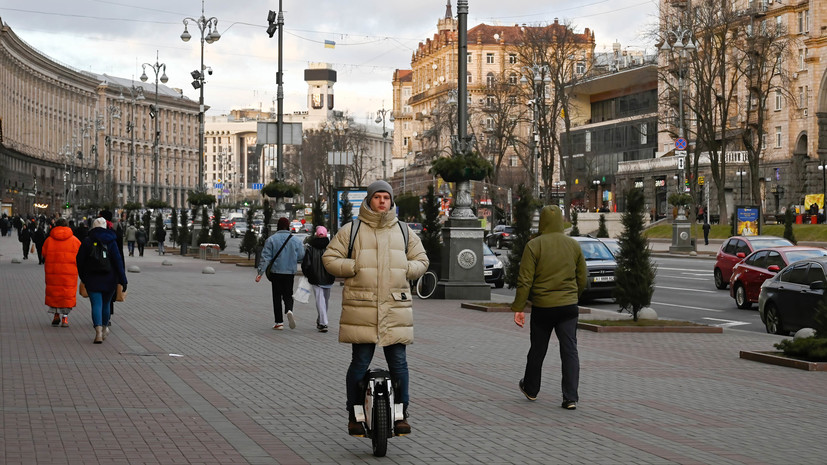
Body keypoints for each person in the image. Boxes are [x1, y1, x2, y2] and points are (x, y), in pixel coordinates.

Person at [322, 180, 429, 437]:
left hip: (395, 307)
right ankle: (355, 414)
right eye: (378, 197)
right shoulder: (352, 230)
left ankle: (401, 413)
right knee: (359, 363)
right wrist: (352, 267)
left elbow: (421, 259)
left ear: (392, 202)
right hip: (362, 306)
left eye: (387, 197)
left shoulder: (403, 231)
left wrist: (407, 268)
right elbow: (329, 258)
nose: (382, 201)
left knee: (399, 364)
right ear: (369, 200)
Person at [511, 205, 586, 410]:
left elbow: (525, 280)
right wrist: (573, 296)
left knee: (538, 349)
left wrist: (519, 308)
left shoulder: (534, 246)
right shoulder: (573, 245)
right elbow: (582, 277)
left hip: (543, 307)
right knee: (570, 350)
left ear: (542, 221)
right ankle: (570, 397)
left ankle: (531, 388)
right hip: (568, 307)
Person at [77, 217, 127, 343]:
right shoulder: (111, 241)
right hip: (109, 279)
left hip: (92, 278)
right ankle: (105, 328)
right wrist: (123, 279)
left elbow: (80, 261)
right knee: (106, 304)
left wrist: (83, 277)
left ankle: (98, 332)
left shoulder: (88, 241)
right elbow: (118, 261)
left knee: (96, 305)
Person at [255, 217, 305, 330]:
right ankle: (289, 310)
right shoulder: (296, 240)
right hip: (290, 272)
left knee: (276, 296)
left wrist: (260, 273)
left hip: (276, 272)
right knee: (288, 294)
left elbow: (265, 258)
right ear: (288, 226)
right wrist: (291, 258)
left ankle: (279, 322)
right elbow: (302, 256)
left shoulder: (271, 239)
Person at [42, 218, 82, 327]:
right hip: (69, 273)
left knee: (54, 294)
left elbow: (44, 254)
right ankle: (65, 318)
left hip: (53, 272)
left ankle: (56, 315)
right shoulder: (75, 240)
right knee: (66, 295)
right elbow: (80, 256)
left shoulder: (49, 240)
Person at [301, 225, 336, 333]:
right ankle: (322, 320)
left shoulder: (311, 248)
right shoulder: (331, 248)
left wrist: (308, 275)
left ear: (316, 234)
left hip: (315, 279)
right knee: (325, 300)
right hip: (329, 278)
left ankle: (323, 321)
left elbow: (306, 264)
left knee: (320, 301)